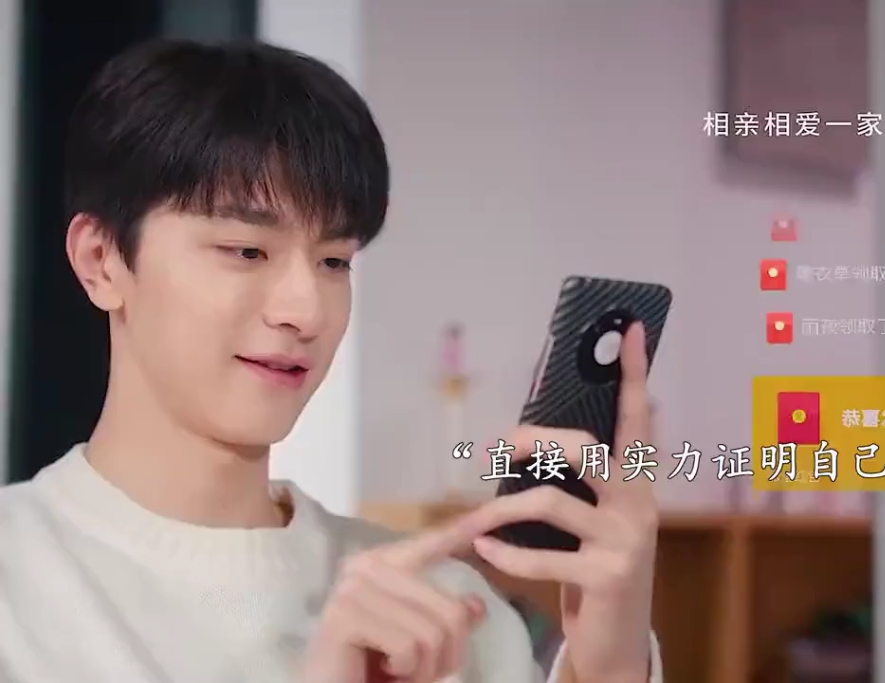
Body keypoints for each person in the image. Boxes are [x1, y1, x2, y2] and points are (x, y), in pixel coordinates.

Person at [0, 39, 664, 683]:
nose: (306, 310)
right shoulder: (19, 581)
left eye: (334, 261)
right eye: (246, 251)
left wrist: (609, 668)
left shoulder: (439, 607)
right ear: (101, 261)